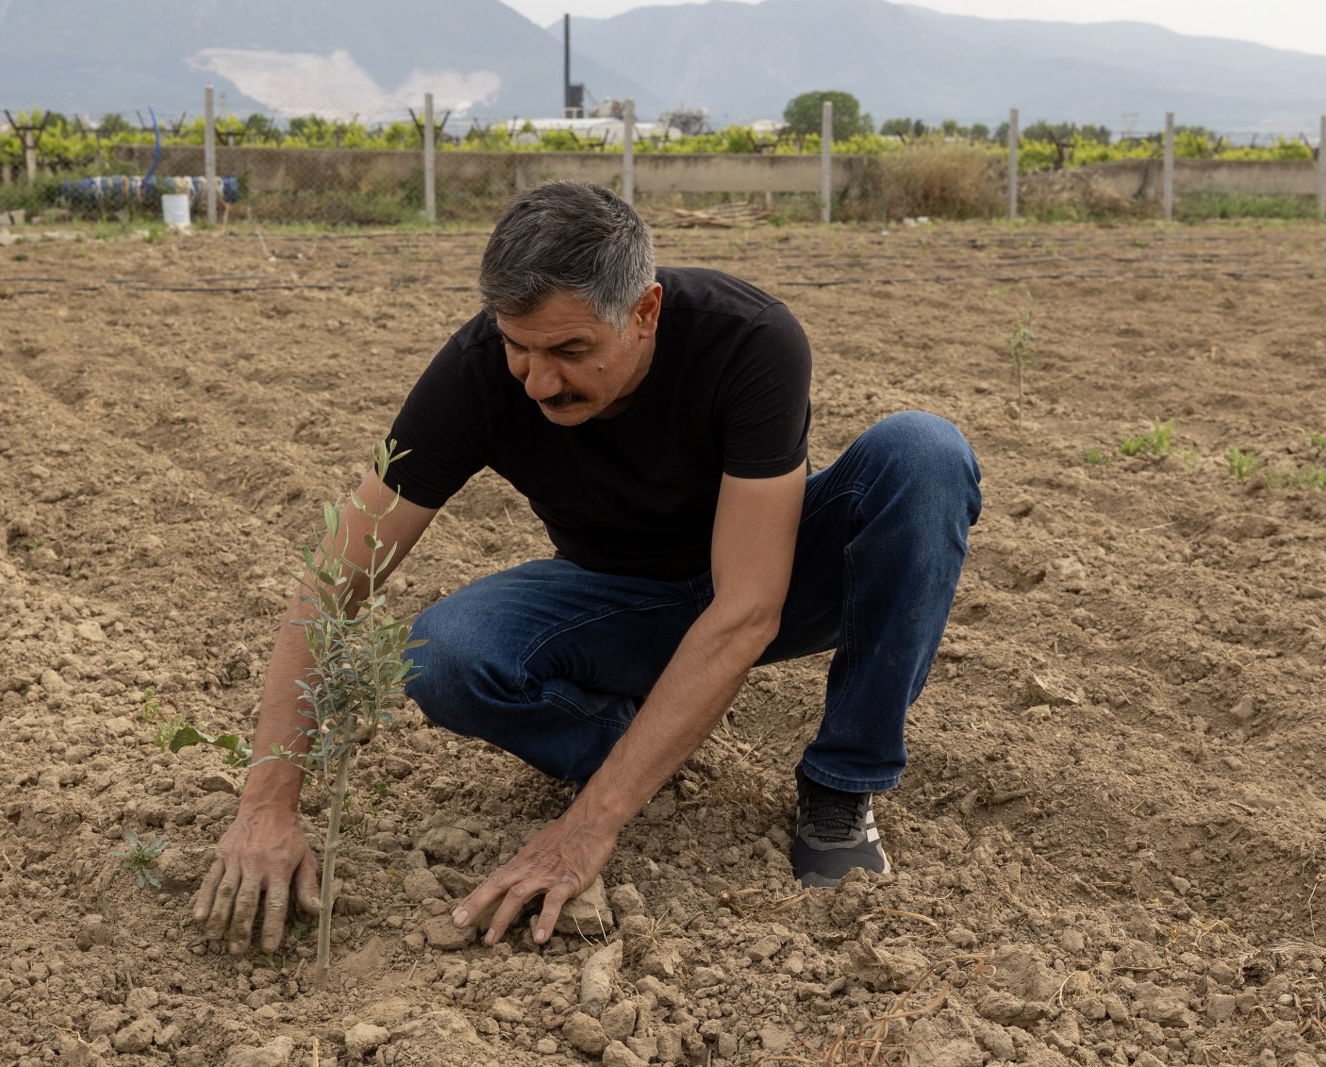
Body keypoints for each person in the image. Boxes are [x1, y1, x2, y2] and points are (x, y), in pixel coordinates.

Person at [193, 180, 981, 955]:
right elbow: (335, 582)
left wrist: (585, 829)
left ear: (645, 312)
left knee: (924, 452)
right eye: (517, 346)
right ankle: (631, 744)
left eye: (571, 350)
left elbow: (746, 608)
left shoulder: (748, 340)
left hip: (768, 576)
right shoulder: (474, 375)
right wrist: (267, 802)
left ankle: (842, 788)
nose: (538, 380)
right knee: (440, 653)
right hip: (616, 600)